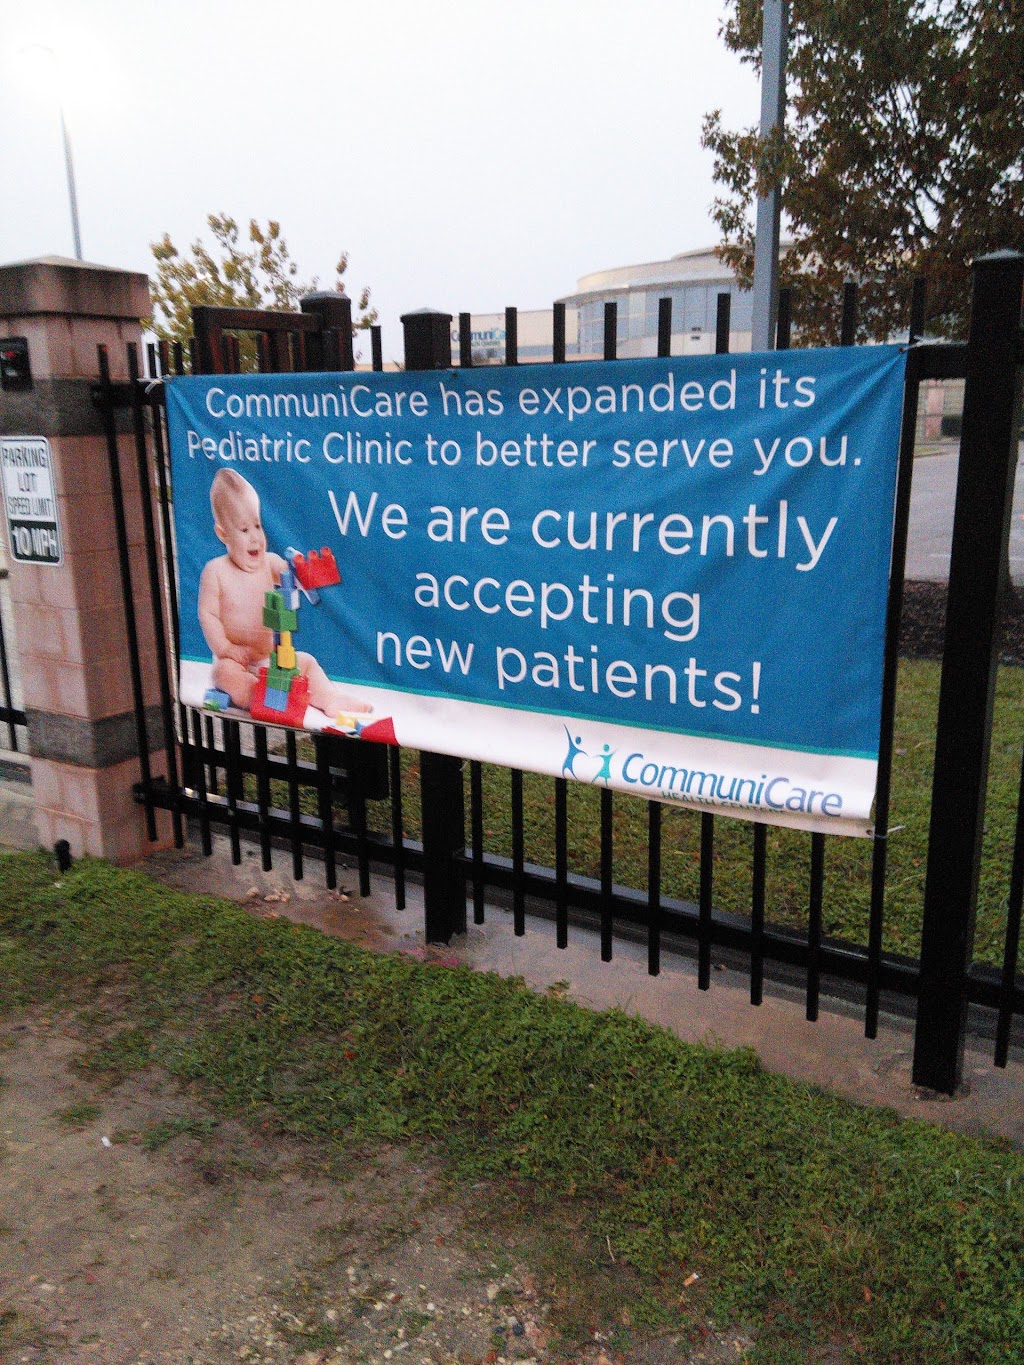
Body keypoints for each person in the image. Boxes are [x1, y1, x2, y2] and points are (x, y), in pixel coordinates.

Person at [197, 469, 370, 720]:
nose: (255, 537)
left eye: (257, 525)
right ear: (223, 534)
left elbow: (292, 575)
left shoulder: (269, 562)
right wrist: (225, 648)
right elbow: (208, 615)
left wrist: (307, 570)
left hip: (273, 660)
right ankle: (256, 696)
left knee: (307, 662)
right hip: (237, 662)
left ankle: (329, 698)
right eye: (244, 529)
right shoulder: (216, 571)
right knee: (225, 674)